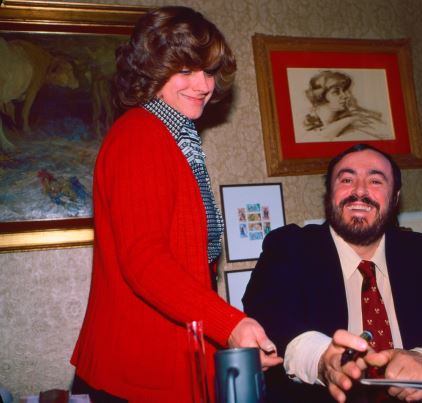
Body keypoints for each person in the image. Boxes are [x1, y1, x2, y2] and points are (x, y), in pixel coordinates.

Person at [70, 7, 282, 402]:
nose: (203, 84)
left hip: (163, 363)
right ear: (151, 71)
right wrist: (230, 325)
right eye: (185, 70)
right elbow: (145, 260)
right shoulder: (140, 135)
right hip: (138, 373)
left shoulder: (174, 136)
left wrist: (225, 339)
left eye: (209, 71)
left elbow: (189, 267)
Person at [243, 143, 422, 402]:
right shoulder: (290, 248)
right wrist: (323, 359)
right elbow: (268, 319)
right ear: (329, 194)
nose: (360, 191)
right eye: (347, 179)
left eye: (375, 181)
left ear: (395, 197)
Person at [301, 71, 392, 142]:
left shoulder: (355, 126)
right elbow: (323, 137)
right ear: (320, 96)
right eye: (336, 92)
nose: (345, 96)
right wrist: (351, 119)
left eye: (344, 90)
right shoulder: (312, 132)